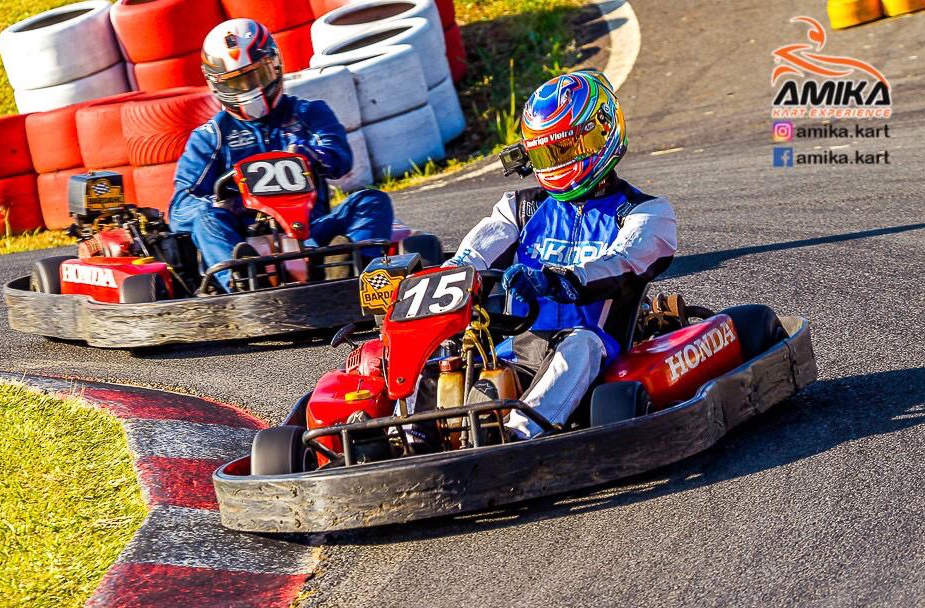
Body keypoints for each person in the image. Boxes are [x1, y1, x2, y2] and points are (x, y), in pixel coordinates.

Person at [445, 69, 677, 440]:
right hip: (515, 346)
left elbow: (623, 261)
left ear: (600, 133)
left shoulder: (645, 212)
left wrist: (560, 279)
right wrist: (438, 283)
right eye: (545, 154)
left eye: (563, 150)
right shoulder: (519, 209)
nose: (555, 163)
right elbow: (469, 256)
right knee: (448, 354)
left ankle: (519, 438)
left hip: (592, 350)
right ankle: (412, 436)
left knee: (580, 343)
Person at [169, 18, 393, 290]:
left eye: (256, 76)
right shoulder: (211, 136)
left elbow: (340, 158)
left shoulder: (309, 114)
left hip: (311, 231)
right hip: (245, 238)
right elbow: (180, 208)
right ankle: (242, 282)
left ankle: (352, 269)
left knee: (372, 200)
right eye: (235, 83)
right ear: (218, 85)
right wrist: (220, 203)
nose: (247, 90)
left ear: (274, 66)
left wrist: (312, 156)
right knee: (206, 218)